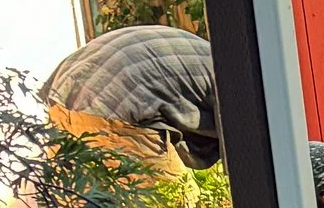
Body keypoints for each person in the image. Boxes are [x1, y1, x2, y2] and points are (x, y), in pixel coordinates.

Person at [43, 26, 220, 172]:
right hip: (112, 100)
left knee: (78, 200)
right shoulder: (236, 92)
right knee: (174, 204)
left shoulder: (209, 57)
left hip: (66, 88)